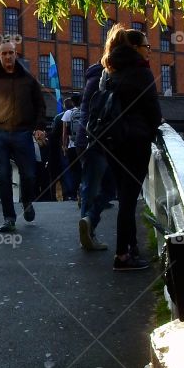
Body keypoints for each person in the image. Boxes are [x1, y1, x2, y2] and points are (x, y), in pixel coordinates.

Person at [91, 26, 163, 271]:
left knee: (125, 197)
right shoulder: (141, 73)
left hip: (113, 141)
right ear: (135, 48)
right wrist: (153, 129)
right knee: (129, 200)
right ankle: (122, 256)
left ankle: (131, 248)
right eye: (146, 46)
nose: (149, 52)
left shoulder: (108, 72)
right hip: (134, 142)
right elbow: (153, 111)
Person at [0, 41, 47, 233]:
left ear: (16, 54)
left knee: (30, 175)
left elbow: (40, 105)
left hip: (23, 134)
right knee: (4, 177)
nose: (8, 57)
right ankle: (9, 218)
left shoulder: (29, 80)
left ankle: (27, 200)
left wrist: (39, 127)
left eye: (11, 53)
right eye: (4, 53)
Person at [77, 58, 116, 250]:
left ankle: (88, 225)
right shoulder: (104, 77)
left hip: (89, 139)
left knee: (91, 188)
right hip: (99, 141)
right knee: (103, 189)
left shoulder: (93, 78)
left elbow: (85, 112)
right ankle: (89, 225)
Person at [60, 93, 83, 201]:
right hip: (83, 145)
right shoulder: (84, 111)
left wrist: (64, 146)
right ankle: (84, 192)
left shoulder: (68, 113)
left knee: (74, 171)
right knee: (83, 169)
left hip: (72, 146)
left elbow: (64, 132)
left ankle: (73, 194)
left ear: (72, 102)